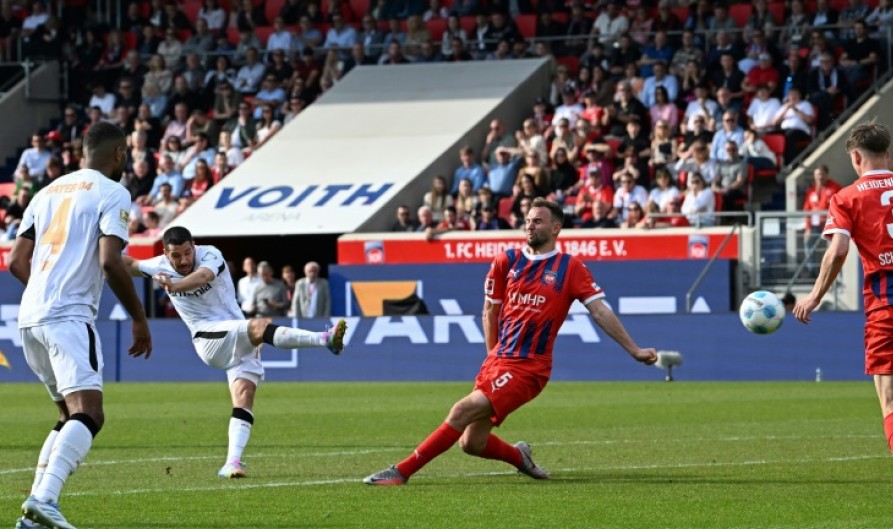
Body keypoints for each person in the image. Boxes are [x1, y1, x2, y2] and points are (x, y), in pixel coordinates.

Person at [363, 198, 658, 486]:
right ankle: (519, 456)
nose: (530, 226)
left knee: (460, 411)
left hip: (530, 367)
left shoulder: (569, 267)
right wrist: (492, 357)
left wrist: (634, 349)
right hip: (499, 361)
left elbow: (599, 310)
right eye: (527, 220)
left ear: (556, 228)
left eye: (538, 221)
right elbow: (490, 311)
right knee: (472, 443)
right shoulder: (507, 260)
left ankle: (401, 471)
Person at [10, 122, 153, 529]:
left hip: (31, 315)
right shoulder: (113, 192)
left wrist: (46, 287)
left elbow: (16, 261)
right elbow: (110, 261)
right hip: (68, 315)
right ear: (120, 155)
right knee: (90, 413)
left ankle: (34, 516)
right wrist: (139, 318)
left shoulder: (45, 192)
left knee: (65, 415)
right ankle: (46, 499)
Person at [793, 121, 893, 515]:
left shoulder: (846, 197)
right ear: (888, 154)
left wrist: (815, 295)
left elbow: (838, 250)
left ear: (856, 158)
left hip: (887, 311)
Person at [123, 227, 346, 479]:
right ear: (166, 253)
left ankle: (232, 462)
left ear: (194, 246)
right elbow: (128, 263)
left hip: (236, 334)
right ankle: (325, 339)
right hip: (209, 339)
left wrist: (174, 286)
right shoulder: (158, 266)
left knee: (244, 397)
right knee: (260, 326)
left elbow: (202, 277)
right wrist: (98, 246)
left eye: (187, 253)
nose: (184, 260)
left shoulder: (210, 255)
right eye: (176, 256)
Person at [801, 164, 842, 274]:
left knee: (834, 249)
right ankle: (812, 271)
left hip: (830, 226)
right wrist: (807, 227)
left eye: (822, 174)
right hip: (815, 225)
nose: (819, 177)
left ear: (826, 175)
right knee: (808, 242)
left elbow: (840, 206)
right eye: (817, 175)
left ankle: (834, 273)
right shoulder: (811, 190)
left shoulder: (835, 188)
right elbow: (806, 209)